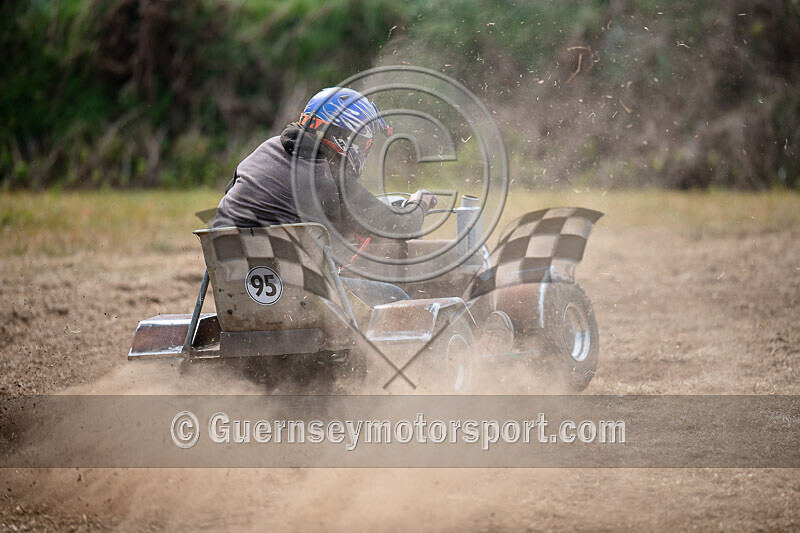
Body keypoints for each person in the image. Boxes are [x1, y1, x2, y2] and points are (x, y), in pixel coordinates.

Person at [213, 87, 437, 306]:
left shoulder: (264, 151)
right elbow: (398, 226)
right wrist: (420, 203)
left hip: (236, 292)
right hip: (300, 300)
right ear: (345, 138)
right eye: (363, 143)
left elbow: (232, 193)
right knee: (395, 296)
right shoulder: (331, 176)